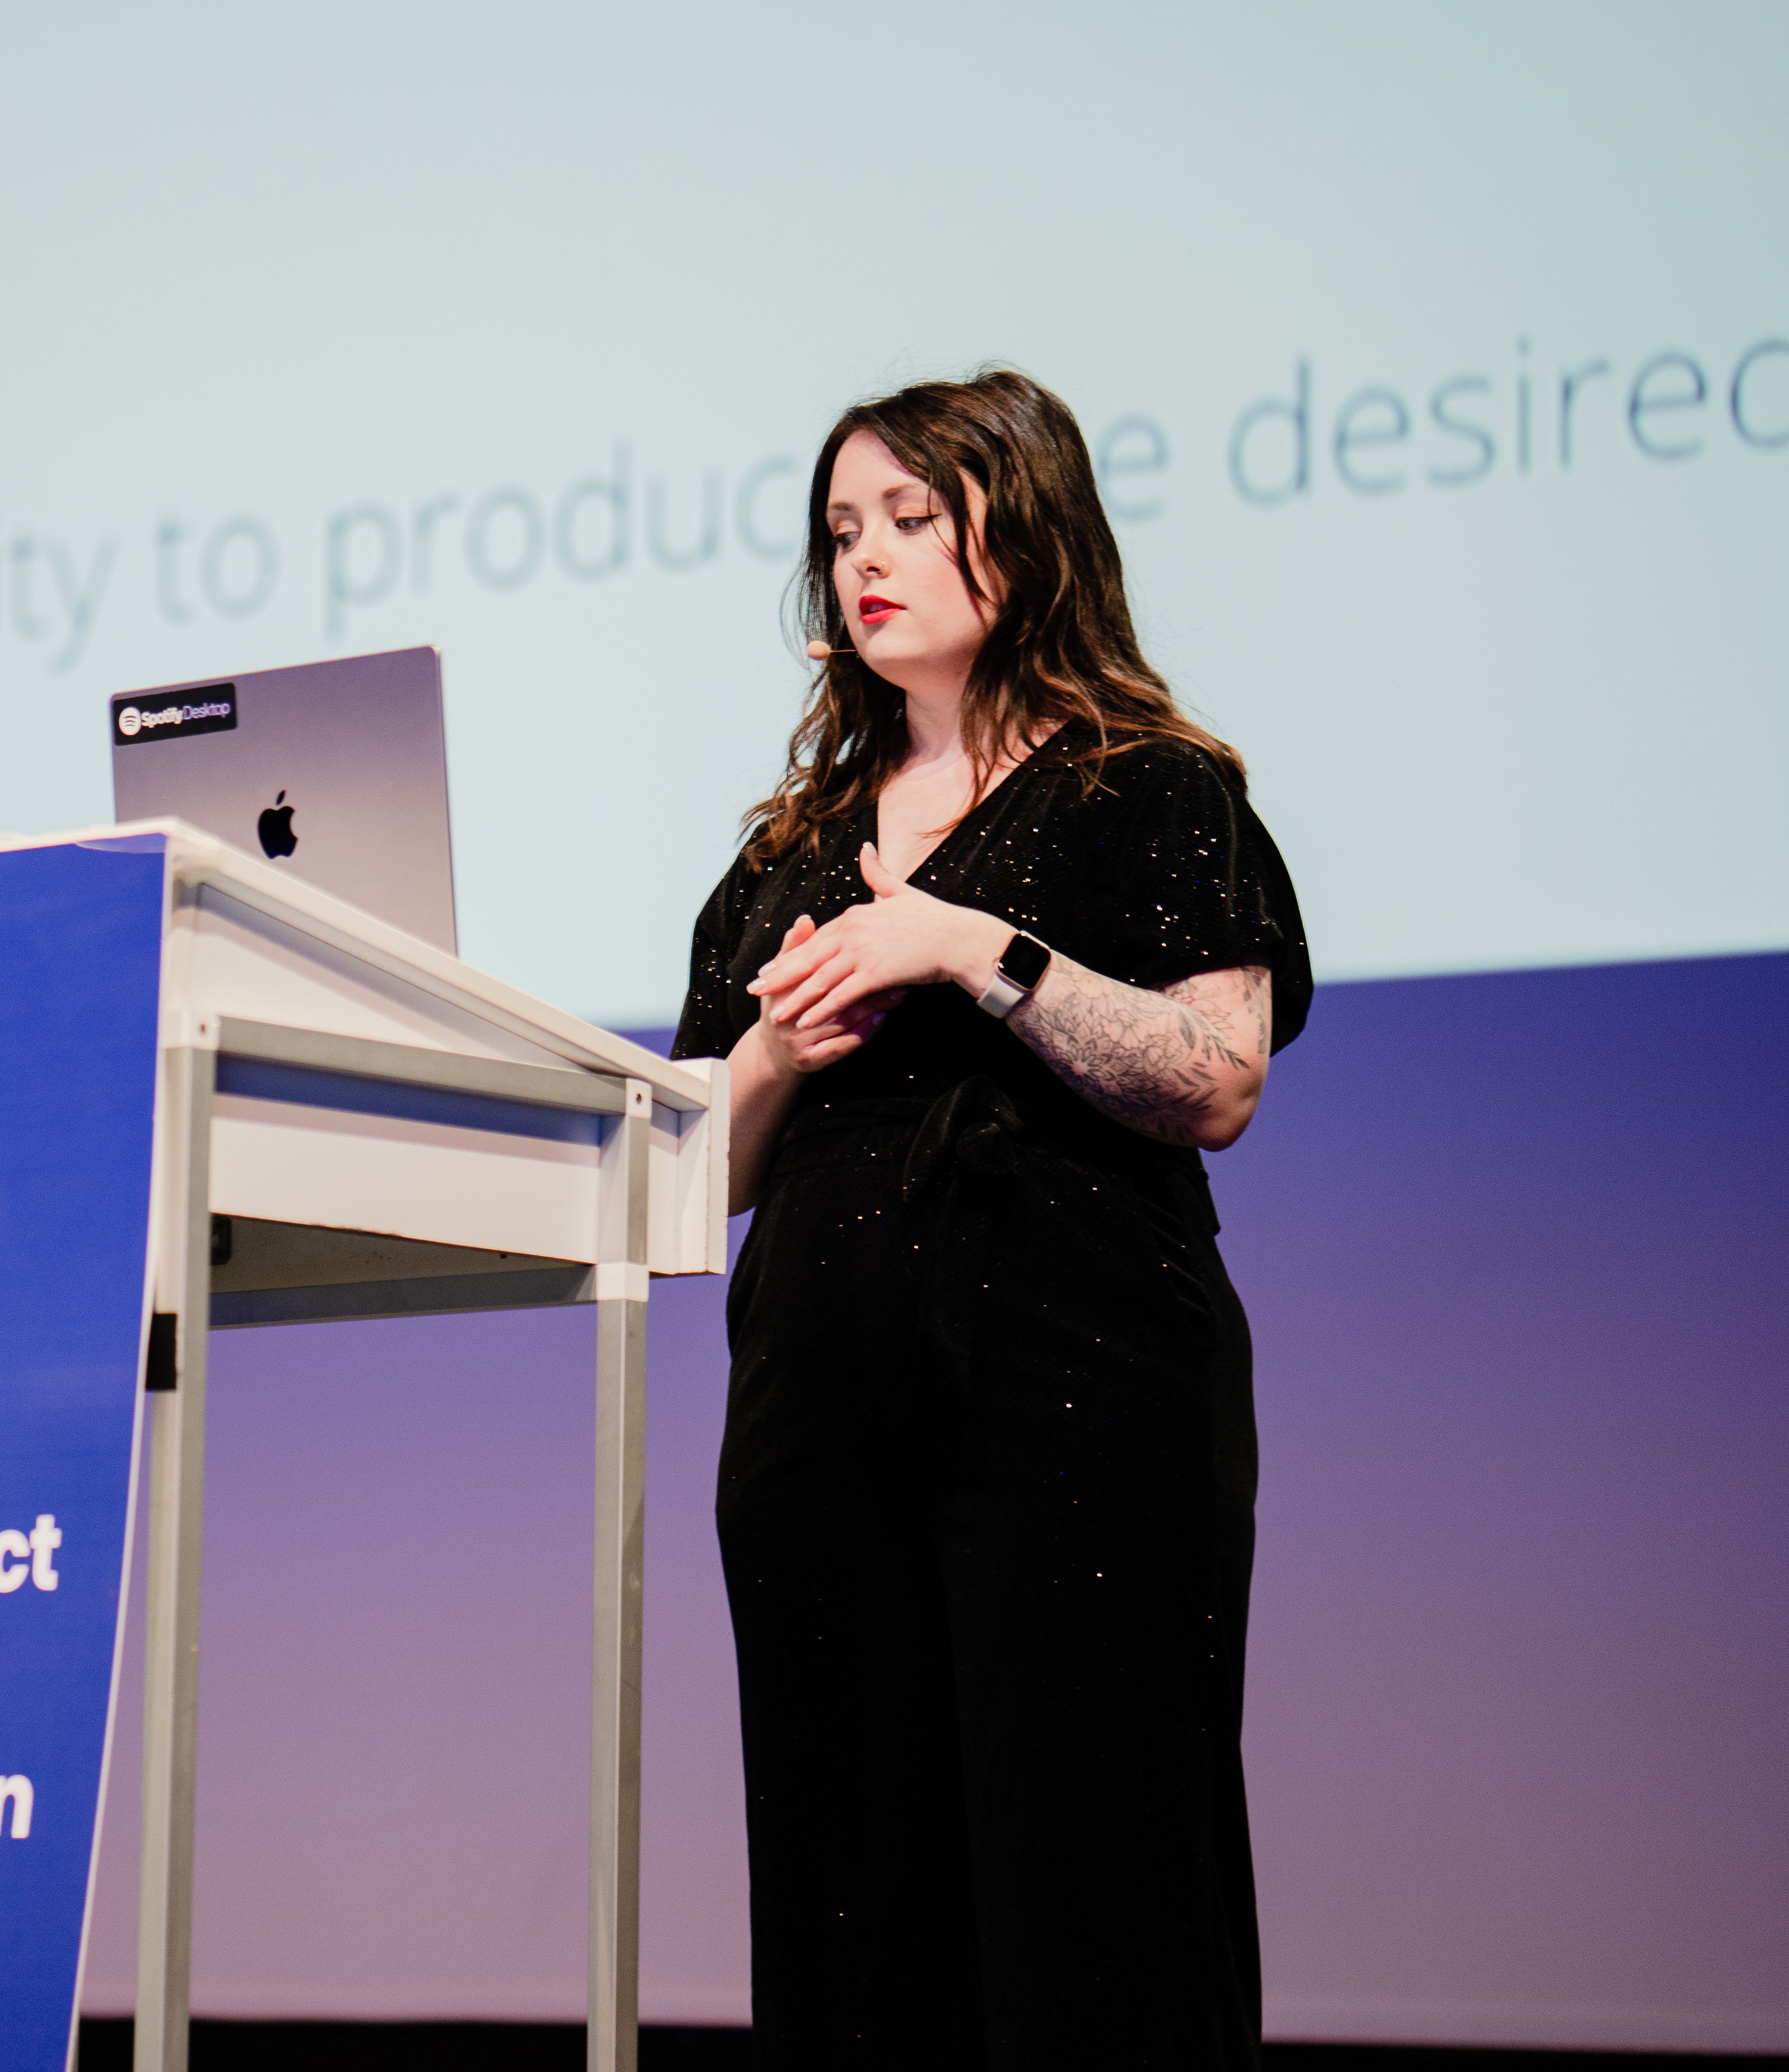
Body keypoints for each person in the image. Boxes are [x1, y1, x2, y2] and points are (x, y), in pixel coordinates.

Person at [670, 368, 1308, 2067]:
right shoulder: (790, 850)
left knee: (1096, 1896)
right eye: (840, 533)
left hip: (1078, 1408)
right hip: (817, 1423)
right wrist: (779, 1046)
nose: (864, 561)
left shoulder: (1149, 791)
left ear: (1020, 536)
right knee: (848, 1898)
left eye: (909, 519)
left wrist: (971, 949)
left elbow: (1216, 1077)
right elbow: (699, 1172)